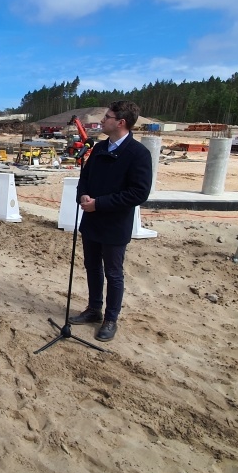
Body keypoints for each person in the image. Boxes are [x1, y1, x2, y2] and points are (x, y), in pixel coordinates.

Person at [68, 101, 153, 342]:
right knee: (92, 267)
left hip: (114, 224)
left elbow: (139, 193)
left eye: (107, 117)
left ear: (121, 122)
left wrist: (100, 204)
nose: (102, 121)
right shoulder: (99, 149)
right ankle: (94, 309)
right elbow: (85, 178)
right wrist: (82, 195)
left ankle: (110, 318)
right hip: (92, 221)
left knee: (114, 274)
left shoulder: (138, 154)